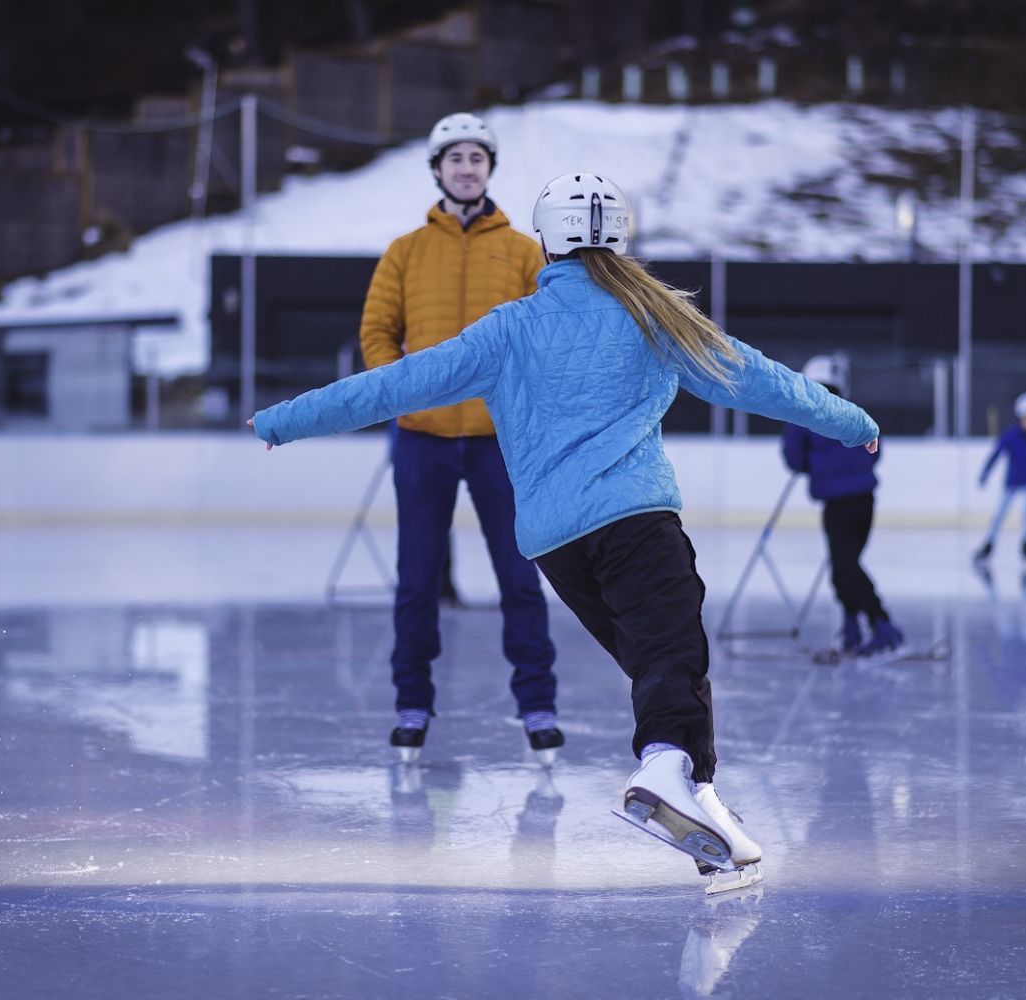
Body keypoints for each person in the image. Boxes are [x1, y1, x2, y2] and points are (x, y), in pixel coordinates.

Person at [250, 172, 880, 891]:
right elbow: (762, 380)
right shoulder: (655, 316)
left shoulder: (511, 326)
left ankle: (699, 803)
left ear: (546, 242)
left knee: (662, 665)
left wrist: (285, 419)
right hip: (637, 520)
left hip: (556, 544)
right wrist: (852, 423)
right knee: (672, 656)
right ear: (622, 236)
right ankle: (670, 769)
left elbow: (396, 384)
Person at [358, 112, 560, 764]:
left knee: (520, 578)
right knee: (417, 581)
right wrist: (404, 389)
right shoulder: (406, 251)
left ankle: (538, 705)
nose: (466, 168)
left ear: (489, 169)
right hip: (423, 438)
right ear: (437, 168)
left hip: (501, 442)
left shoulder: (526, 253)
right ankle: (411, 702)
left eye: (477, 158)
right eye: (455, 158)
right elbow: (376, 333)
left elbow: (547, 337)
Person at [779, 355, 905, 659]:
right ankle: (852, 627)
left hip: (836, 503)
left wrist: (819, 468)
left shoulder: (804, 415)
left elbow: (794, 459)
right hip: (864, 499)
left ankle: (882, 623)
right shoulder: (852, 410)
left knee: (844, 567)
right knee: (846, 565)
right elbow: (874, 448)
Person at [973, 391, 1026, 566]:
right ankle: (989, 543)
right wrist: (985, 473)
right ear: (1021, 417)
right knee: (999, 514)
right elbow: (996, 454)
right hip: (1012, 482)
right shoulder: (1011, 435)